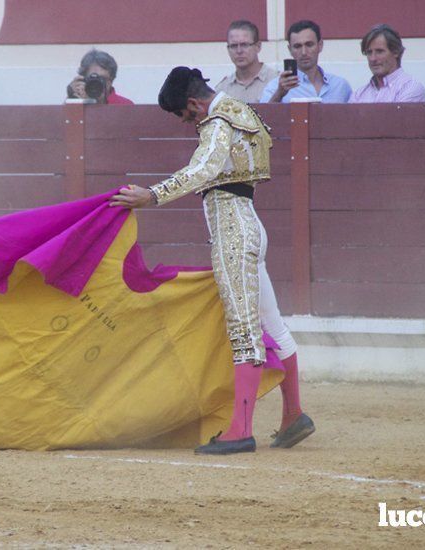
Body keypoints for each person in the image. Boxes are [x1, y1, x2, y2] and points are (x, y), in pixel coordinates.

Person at [110, 67, 315, 455]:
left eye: (187, 117)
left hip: (234, 232)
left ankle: (240, 430)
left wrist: (151, 195)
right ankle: (293, 415)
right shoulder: (243, 112)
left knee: (244, 329)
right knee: (273, 325)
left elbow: (202, 170)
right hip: (248, 221)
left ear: (193, 104)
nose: (190, 125)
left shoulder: (219, 121)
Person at [260, 20, 351, 103]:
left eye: (309, 45)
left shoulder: (340, 86)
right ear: (290, 49)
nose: (304, 52)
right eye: (297, 46)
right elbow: (261, 119)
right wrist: (279, 94)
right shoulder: (275, 87)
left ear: (320, 45)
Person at [349, 24, 425, 103]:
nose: (373, 58)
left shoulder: (411, 87)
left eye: (379, 51)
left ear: (396, 52)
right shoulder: (359, 94)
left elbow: (398, 115)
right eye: (369, 52)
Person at [215, 20, 278, 103]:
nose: (239, 51)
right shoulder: (223, 89)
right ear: (228, 49)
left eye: (244, 45)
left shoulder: (276, 81)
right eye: (233, 46)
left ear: (258, 46)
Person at [66, 49, 133, 105]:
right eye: (92, 78)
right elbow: (65, 120)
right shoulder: (77, 103)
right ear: (83, 79)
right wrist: (72, 97)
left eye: (103, 78)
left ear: (111, 81)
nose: (97, 82)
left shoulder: (125, 105)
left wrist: (98, 103)